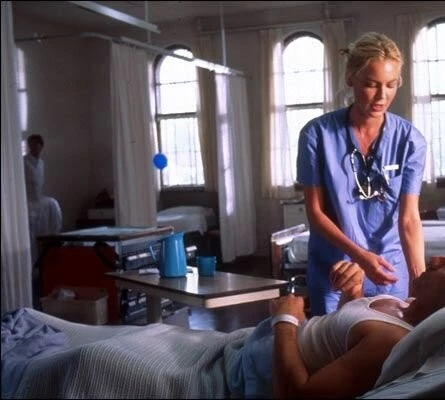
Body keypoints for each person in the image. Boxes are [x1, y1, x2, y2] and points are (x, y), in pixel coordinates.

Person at [296, 32, 427, 315]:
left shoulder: (410, 140)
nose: (382, 96)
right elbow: (316, 213)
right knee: (333, 337)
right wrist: (360, 256)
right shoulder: (317, 135)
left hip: (388, 268)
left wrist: (420, 282)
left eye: (391, 85)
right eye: (371, 84)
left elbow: (409, 219)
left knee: (390, 338)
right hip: (336, 268)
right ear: (350, 78)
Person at [229, 257, 445, 399]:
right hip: (264, 343)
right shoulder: (406, 305)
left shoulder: (390, 339)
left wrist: (285, 319)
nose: (435, 260)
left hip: (259, 370)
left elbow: (297, 395)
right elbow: (345, 339)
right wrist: (353, 291)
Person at [23, 134, 62, 264]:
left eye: (36, 145)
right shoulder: (24, 162)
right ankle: (32, 261)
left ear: (41, 146)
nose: (33, 147)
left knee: (53, 205)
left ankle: (52, 250)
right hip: (28, 200)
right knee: (31, 224)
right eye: (31, 145)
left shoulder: (41, 163)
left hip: (39, 199)